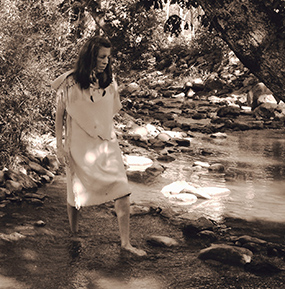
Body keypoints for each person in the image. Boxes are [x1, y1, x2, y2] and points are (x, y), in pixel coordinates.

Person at [51, 36, 146, 257]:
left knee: (122, 188)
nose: (105, 61)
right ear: (90, 56)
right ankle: (74, 232)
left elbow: (108, 112)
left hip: (107, 144)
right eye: (102, 57)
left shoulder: (109, 82)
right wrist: (59, 146)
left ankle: (125, 243)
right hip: (78, 144)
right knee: (75, 191)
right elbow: (60, 117)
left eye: (108, 57)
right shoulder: (69, 82)